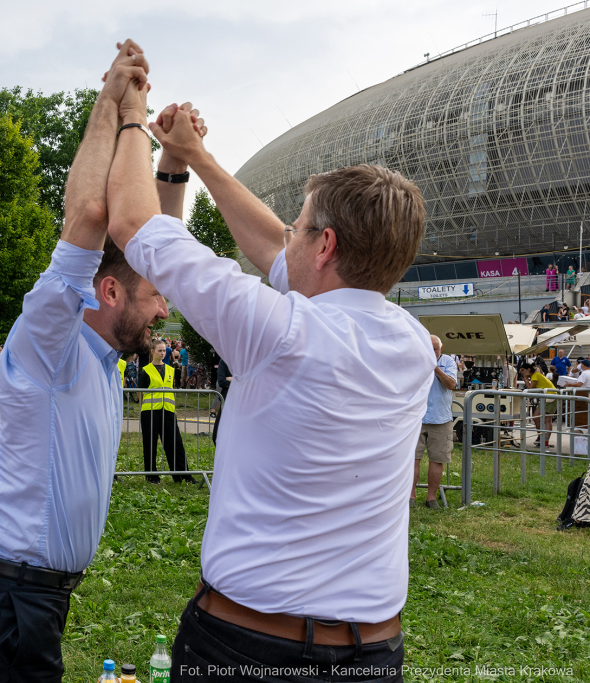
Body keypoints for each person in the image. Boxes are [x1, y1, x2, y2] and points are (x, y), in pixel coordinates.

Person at [105, 52, 430, 680]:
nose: (288, 237)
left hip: (248, 650)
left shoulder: (281, 332)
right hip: (372, 655)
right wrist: (191, 159)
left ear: (327, 246)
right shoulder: (411, 344)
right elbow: (270, 246)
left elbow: (131, 222)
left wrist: (134, 117)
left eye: (301, 229)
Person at [0, 41, 173, 683]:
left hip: (29, 593)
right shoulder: (51, 339)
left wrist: (172, 160)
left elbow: (155, 244)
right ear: (107, 293)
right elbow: (94, 213)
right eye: (153, 300)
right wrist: (117, 104)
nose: (162, 313)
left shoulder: (103, 357)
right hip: (6, 596)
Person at [412, 335, 457, 509]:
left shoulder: (448, 362)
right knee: (412, 459)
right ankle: (410, 496)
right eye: (428, 348)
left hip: (441, 418)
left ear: (441, 348)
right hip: (416, 418)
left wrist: (435, 368)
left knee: (437, 460)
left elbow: (451, 384)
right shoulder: (414, 361)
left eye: (435, 349)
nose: (431, 352)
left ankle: (431, 498)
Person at [138, 339, 192, 483]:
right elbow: (140, 393)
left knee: (175, 443)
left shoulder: (170, 370)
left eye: (164, 351)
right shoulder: (146, 371)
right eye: (159, 351)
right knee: (150, 444)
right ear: (152, 352)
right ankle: (152, 476)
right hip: (150, 412)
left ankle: (182, 475)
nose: (162, 353)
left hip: (168, 411)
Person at [519, 363, 557, 447]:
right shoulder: (535, 375)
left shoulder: (535, 375)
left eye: (522, 370)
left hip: (550, 396)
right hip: (549, 396)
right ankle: (542, 438)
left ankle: (543, 439)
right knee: (543, 419)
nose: (521, 372)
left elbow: (530, 389)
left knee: (541, 418)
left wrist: (525, 379)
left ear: (529, 370)